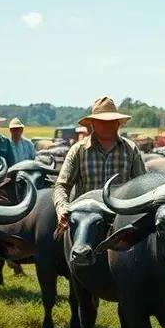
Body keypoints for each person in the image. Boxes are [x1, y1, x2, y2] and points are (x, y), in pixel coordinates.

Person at [53, 96, 147, 234]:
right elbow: (62, 185)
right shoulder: (79, 150)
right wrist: (62, 209)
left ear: (118, 123)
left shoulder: (130, 149)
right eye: (102, 121)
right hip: (86, 220)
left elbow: (142, 186)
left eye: (111, 121)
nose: (107, 125)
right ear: (92, 123)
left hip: (119, 220)